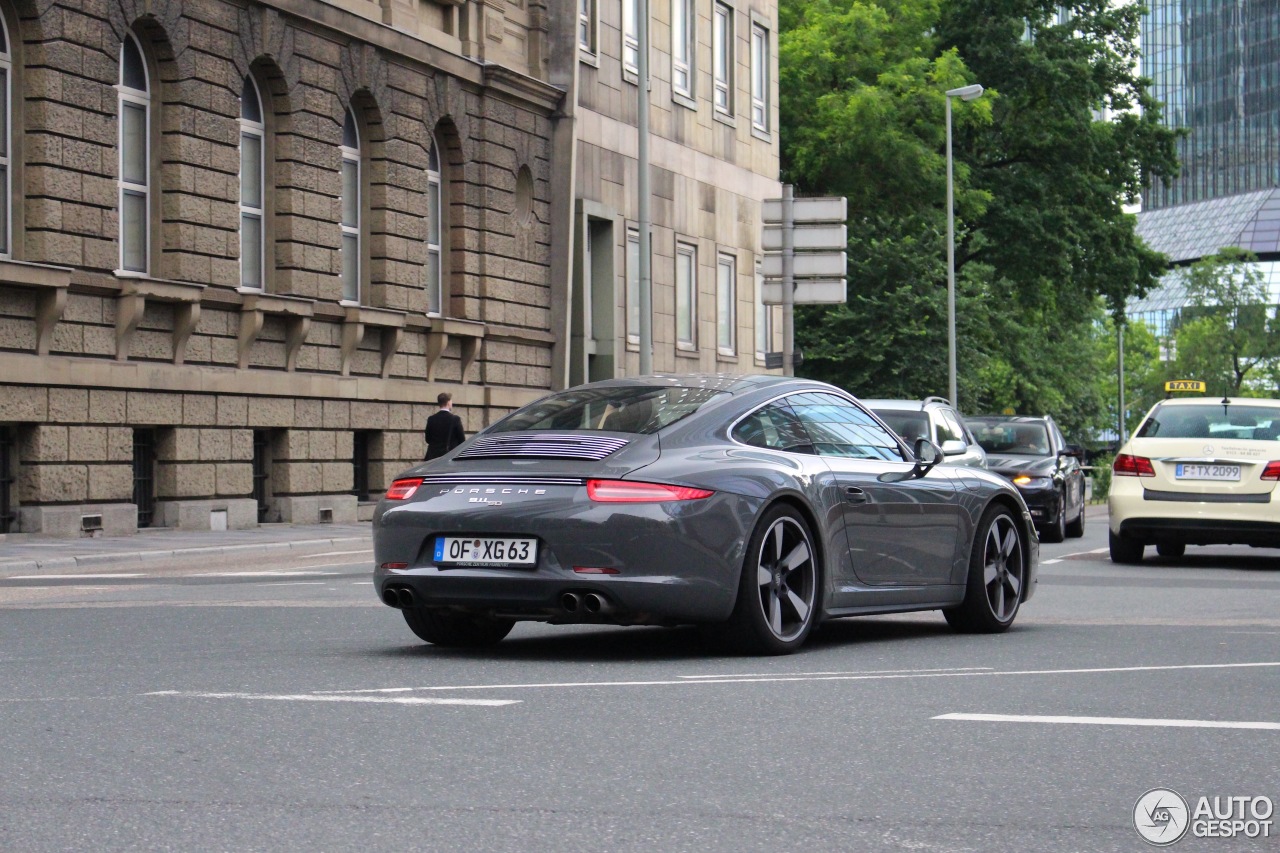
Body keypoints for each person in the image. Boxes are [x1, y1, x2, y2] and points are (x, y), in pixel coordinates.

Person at [424, 392, 466, 460]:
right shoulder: (455, 419)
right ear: (448, 402)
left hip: (432, 457)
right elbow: (462, 440)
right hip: (449, 456)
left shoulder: (431, 419)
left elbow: (428, 439)